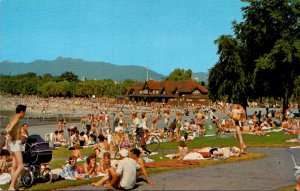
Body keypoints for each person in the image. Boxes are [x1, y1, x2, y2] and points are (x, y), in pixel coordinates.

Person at [5, 104, 27, 190]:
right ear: (21, 112)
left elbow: (7, 127)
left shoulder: (13, 118)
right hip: (16, 143)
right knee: (21, 166)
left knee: (14, 165)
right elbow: (8, 129)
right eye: (24, 113)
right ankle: (11, 187)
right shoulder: (17, 118)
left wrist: (10, 138)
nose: (24, 115)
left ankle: (14, 186)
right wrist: (11, 137)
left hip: (14, 143)